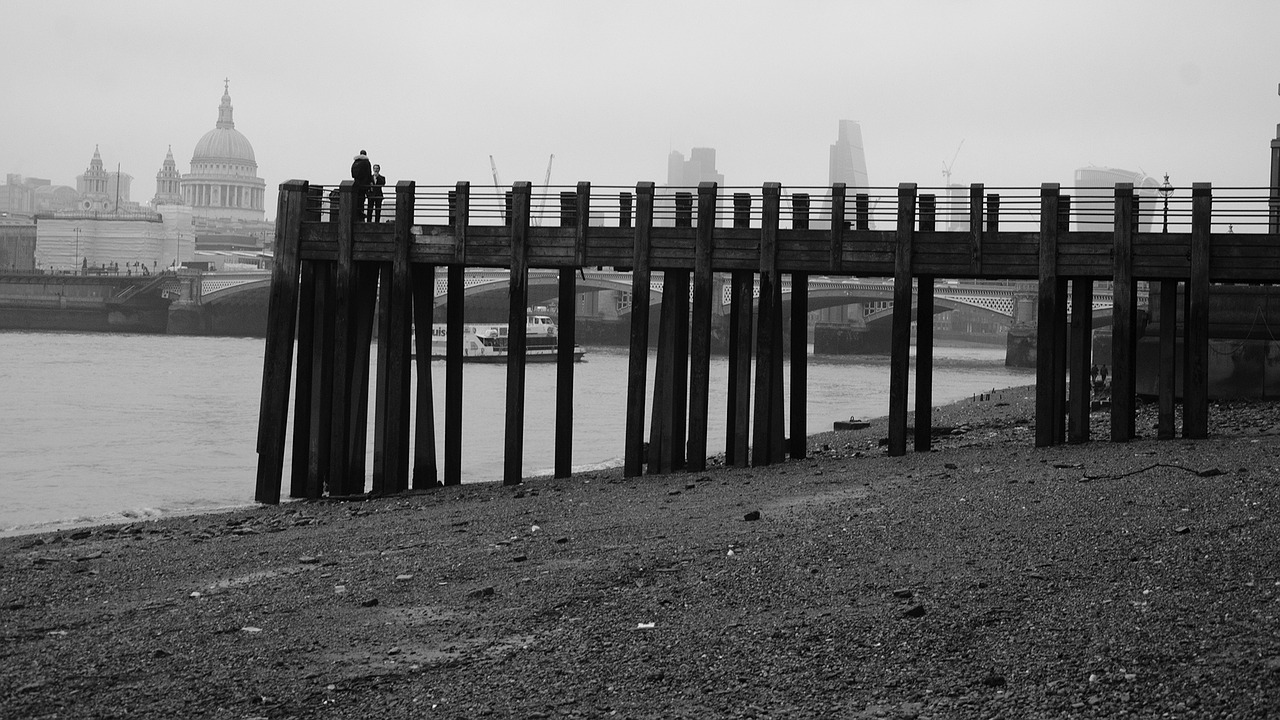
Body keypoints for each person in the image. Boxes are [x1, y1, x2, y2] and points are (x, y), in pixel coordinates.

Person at [351, 150, 373, 220]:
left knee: (356, 199)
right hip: (364, 184)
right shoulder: (366, 162)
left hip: (356, 183)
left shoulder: (355, 162)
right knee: (362, 199)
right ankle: (361, 213)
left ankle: (357, 213)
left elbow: (352, 173)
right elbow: (369, 173)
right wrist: (370, 183)